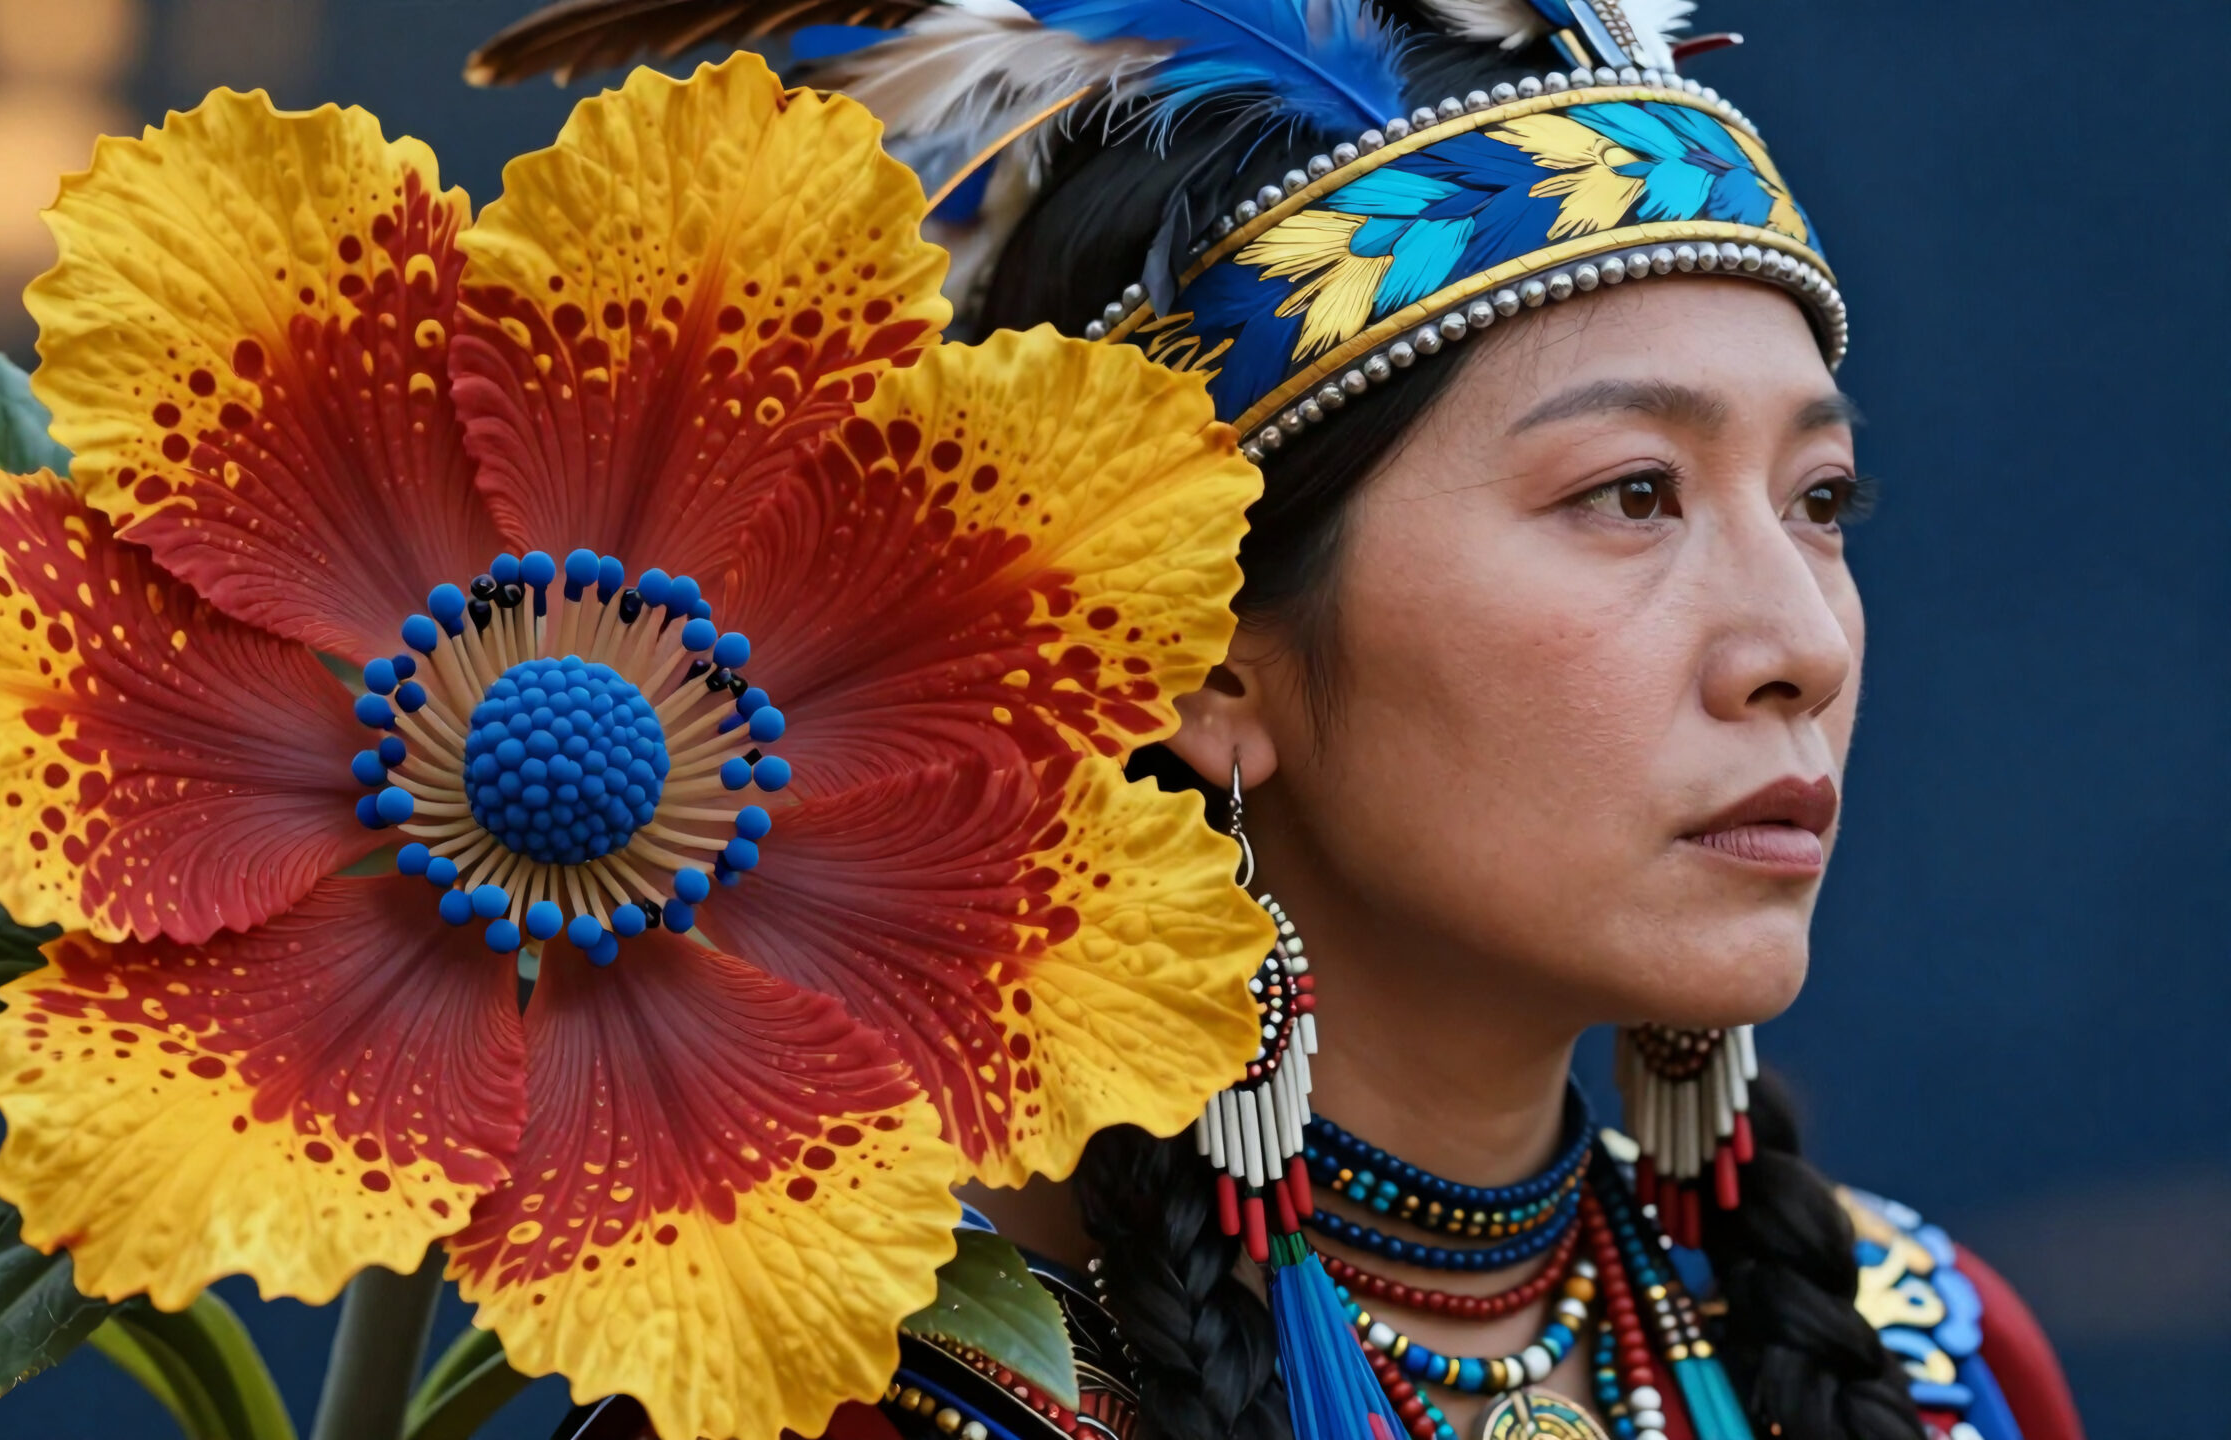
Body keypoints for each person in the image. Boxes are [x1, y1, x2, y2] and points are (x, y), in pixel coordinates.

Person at [466, 4, 2083, 1440]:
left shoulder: (1935, 1363)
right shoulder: (853, 1408)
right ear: (1204, 659)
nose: (1800, 642)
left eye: (1823, 499)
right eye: (1632, 495)